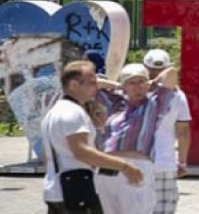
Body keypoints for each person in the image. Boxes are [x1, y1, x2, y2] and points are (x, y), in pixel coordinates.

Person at [41, 61, 144, 214]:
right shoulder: (72, 113)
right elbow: (82, 152)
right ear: (74, 85)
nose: (97, 86)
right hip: (75, 193)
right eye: (92, 82)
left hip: (57, 190)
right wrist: (125, 166)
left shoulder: (55, 111)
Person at [95, 63, 178, 214]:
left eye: (141, 82)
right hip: (109, 164)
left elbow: (171, 73)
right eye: (131, 83)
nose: (137, 87)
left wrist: (153, 82)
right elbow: (92, 83)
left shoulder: (154, 103)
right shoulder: (115, 103)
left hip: (137, 163)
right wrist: (117, 85)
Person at [143, 49, 191, 214]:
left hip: (137, 162)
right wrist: (182, 162)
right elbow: (183, 132)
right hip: (164, 163)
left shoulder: (136, 93)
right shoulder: (177, 96)